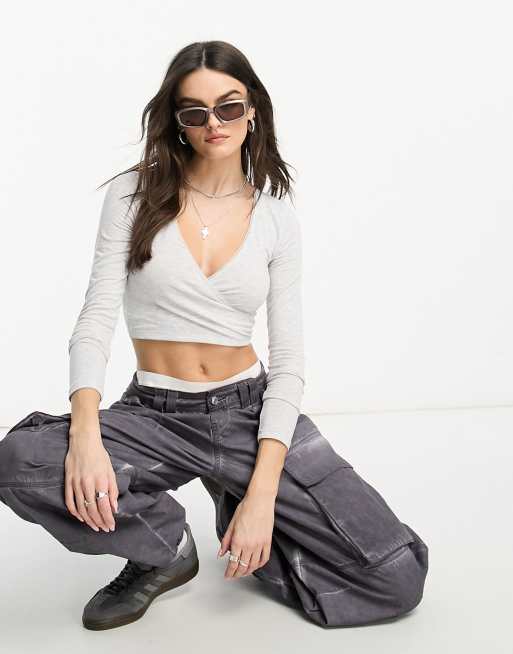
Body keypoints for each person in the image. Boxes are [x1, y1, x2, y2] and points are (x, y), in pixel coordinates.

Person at [0, 40, 429, 631]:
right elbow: (95, 319)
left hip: (248, 413)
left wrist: (260, 499)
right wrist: (87, 434)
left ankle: (245, 520)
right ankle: (167, 549)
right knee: (20, 463)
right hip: (155, 414)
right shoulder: (133, 195)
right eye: (195, 111)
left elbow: (289, 361)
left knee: (397, 578)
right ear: (177, 120)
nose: (214, 123)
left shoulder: (275, 216)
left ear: (252, 111)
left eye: (228, 107)